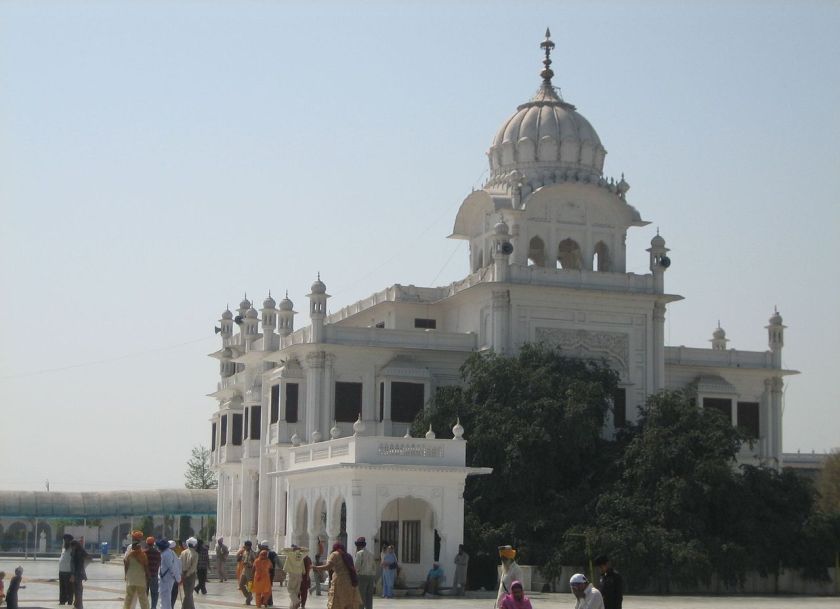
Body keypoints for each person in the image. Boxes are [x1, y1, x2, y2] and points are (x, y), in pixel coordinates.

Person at [312, 543, 360, 609]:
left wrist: (315, 567)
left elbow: (328, 567)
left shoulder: (335, 554)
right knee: (348, 603)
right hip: (350, 582)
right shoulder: (348, 555)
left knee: (337, 602)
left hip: (339, 582)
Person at [124, 540, 151, 609]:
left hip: (131, 579)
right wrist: (148, 576)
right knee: (143, 598)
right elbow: (146, 567)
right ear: (139, 547)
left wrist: (125, 575)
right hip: (140, 579)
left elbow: (126, 566)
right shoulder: (143, 555)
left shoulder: (129, 555)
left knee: (128, 597)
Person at [157, 539, 181, 609]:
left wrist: (177, 578)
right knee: (165, 598)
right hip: (166, 579)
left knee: (165, 599)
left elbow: (172, 567)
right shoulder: (170, 552)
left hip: (166, 580)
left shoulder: (166, 554)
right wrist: (177, 578)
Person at [353, 537, 376, 609]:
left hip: (362, 577)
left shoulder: (359, 553)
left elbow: (356, 567)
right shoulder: (371, 554)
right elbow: (374, 567)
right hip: (371, 577)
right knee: (369, 597)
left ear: (358, 546)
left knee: (361, 596)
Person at [282, 544, 307, 609]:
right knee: (295, 591)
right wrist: (300, 548)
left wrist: (292, 549)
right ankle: (292, 607)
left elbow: (283, 550)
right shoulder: (301, 555)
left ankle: (296, 601)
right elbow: (307, 550)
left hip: (292, 574)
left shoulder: (291, 554)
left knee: (290, 589)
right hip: (299, 574)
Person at [70, 539, 90, 609]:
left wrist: (72, 574)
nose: (72, 548)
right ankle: (78, 604)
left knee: (77, 589)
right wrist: (83, 567)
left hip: (76, 573)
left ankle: (78, 605)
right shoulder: (81, 551)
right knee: (78, 589)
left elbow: (72, 564)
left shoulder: (76, 552)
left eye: (73, 546)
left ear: (75, 545)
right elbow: (88, 557)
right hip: (80, 572)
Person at [180, 537, 199, 609]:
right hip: (191, 575)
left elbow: (180, 564)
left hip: (183, 573)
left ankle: (191, 607)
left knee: (187, 592)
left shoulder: (183, 552)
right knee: (189, 593)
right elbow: (193, 567)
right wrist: (187, 574)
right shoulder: (195, 554)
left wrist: (183, 574)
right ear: (194, 545)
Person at [144, 536, 162, 609]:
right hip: (154, 576)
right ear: (153, 543)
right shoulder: (158, 553)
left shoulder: (144, 553)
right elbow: (159, 563)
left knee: (145, 594)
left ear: (147, 543)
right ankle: (153, 607)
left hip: (145, 576)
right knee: (154, 594)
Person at [238, 540, 257, 605]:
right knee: (241, 584)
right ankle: (248, 596)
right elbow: (242, 559)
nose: (245, 547)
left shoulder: (253, 553)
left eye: (246, 546)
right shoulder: (244, 552)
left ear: (249, 546)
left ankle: (248, 599)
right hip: (244, 569)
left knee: (249, 585)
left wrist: (249, 563)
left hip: (250, 570)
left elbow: (255, 562)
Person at [59, 533, 75, 605]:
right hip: (61, 571)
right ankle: (62, 601)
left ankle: (69, 602)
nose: (66, 541)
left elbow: (74, 561)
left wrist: (73, 574)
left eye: (67, 540)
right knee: (62, 588)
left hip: (68, 572)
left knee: (69, 589)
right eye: (65, 540)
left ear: (70, 541)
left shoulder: (73, 549)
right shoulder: (63, 548)